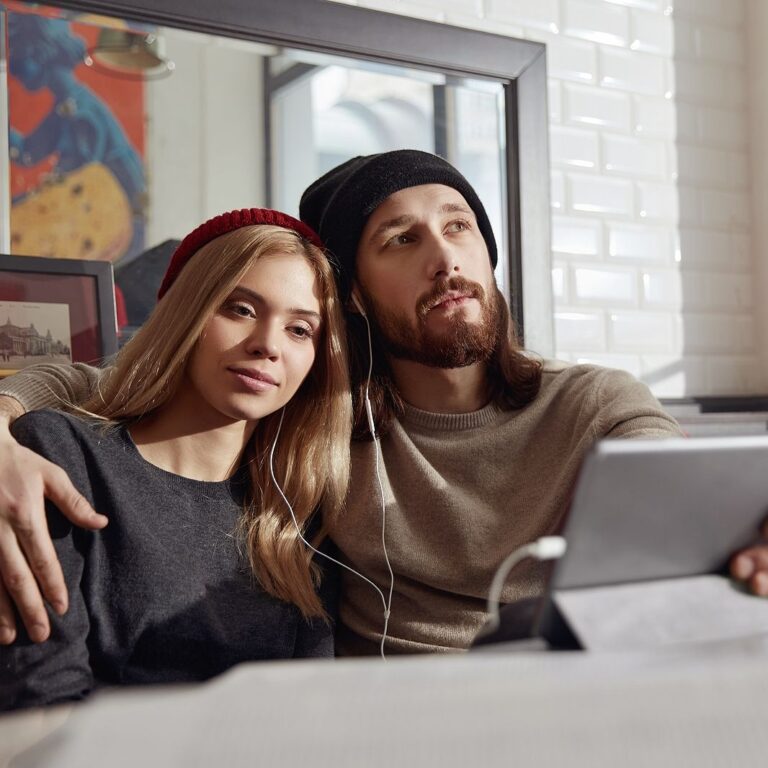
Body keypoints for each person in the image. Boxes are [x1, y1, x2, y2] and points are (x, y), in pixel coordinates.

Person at [1, 151, 767, 655]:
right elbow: (99, 384)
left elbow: (688, 482)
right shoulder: (318, 416)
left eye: (459, 227)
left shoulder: (593, 403)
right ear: (356, 296)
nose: (445, 257)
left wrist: (751, 523)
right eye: (401, 239)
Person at [0, 208, 351, 709]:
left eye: (300, 330)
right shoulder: (59, 458)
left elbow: (307, 717)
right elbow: (42, 700)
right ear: (186, 310)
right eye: (241, 309)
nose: (267, 345)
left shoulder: (294, 519)